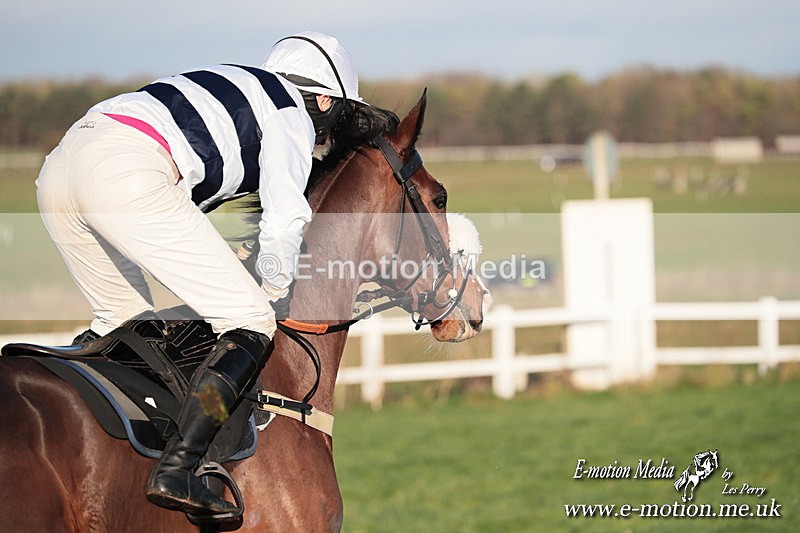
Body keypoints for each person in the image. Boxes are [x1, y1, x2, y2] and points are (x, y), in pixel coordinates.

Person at [35, 31, 396, 517]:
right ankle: (179, 469)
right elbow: (286, 216)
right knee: (249, 319)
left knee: (123, 321)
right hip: (127, 168)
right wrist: (271, 287)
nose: (327, 137)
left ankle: (100, 446)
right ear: (326, 100)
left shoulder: (241, 84)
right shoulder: (290, 111)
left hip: (60, 168)